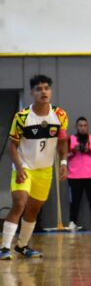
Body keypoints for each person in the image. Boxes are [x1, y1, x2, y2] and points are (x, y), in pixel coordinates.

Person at [1, 74, 68, 260]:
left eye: (46, 88)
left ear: (51, 91)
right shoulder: (22, 117)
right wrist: (19, 168)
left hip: (45, 170)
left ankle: (22, 246)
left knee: (33, 209)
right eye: (39, 89)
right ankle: (4, 247)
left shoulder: (60, 115)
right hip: (25, 168)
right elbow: (12, 146)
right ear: (32, 93)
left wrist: (63, 162)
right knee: (20, 203)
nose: (43, 92)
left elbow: (63, 141)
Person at [66, 117, 91, 231]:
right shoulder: (71, 139)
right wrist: (74, 150)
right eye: (80, 125)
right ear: (76, 127)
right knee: (74, 201)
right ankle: (72, 222)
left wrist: (89, 151)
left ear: (88, 127)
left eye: (85, 125)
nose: (82, 128)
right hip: (74, 176)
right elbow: (64, 154)